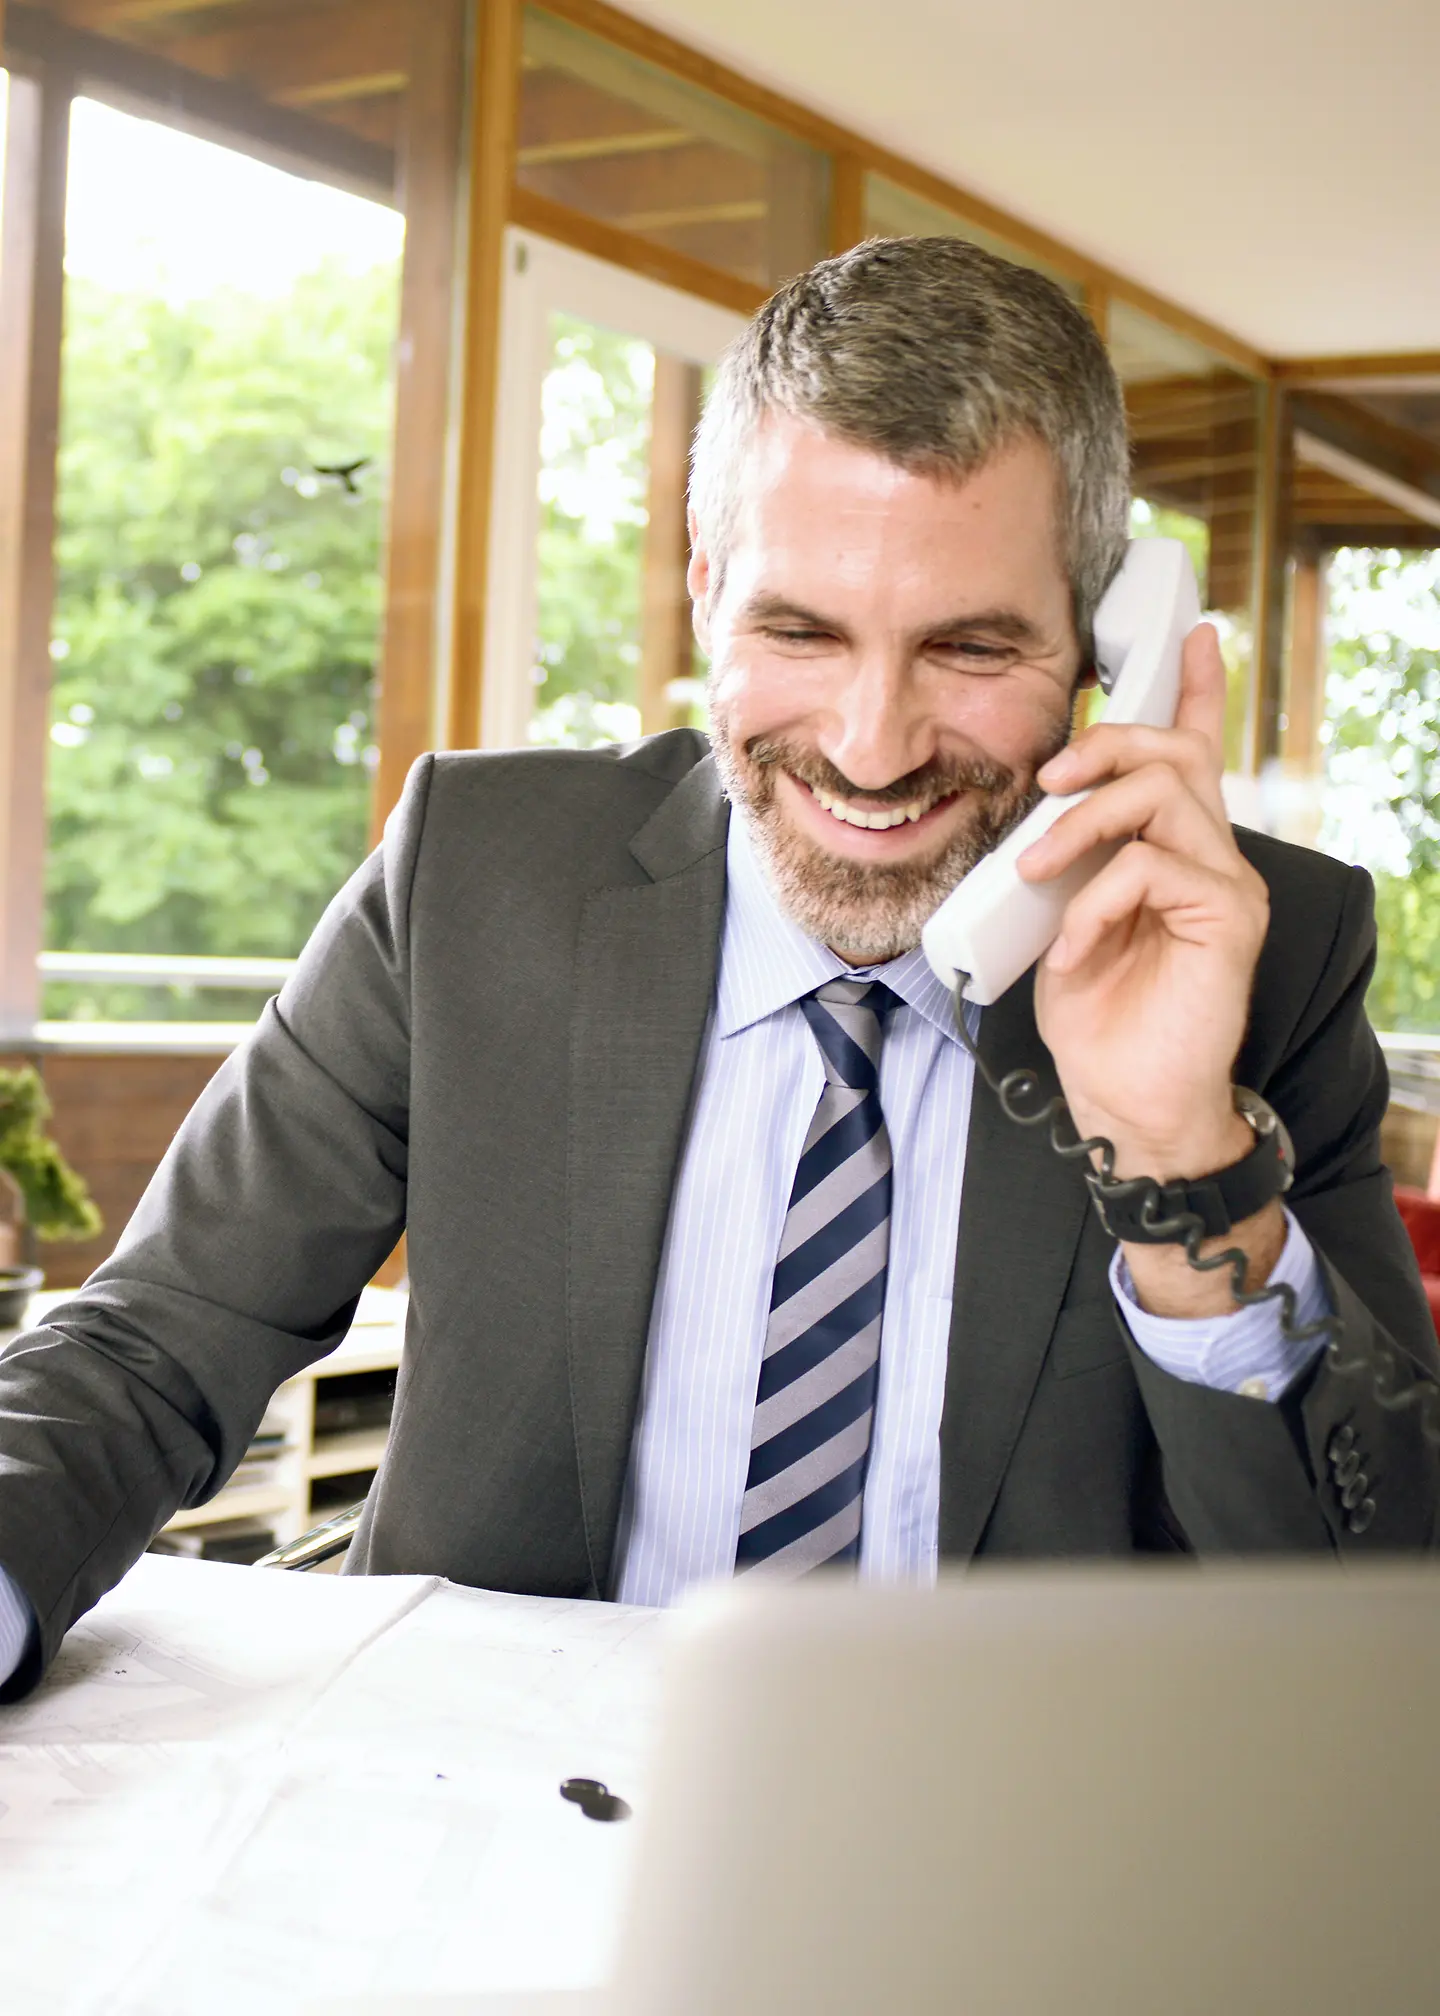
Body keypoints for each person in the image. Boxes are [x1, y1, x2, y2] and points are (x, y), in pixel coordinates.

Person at [0, 237, 1435, 1700]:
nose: (873, 750)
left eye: (972, 650)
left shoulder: (1270, 951)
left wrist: (1176, 1160)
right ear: (703, 587)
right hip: (481, 1809)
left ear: (1102, 638)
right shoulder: (472, 878)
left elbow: (1377, 1610)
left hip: (1010, 1854)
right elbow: (153, 1343)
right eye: (801, 631)